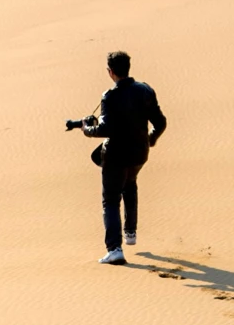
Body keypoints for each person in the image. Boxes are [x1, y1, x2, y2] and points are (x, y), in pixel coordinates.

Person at [65, 50, 166, 265]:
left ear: (110, 72)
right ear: (127, 68)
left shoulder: (110, 96)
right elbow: (161, 122)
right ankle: (130, 233)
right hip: (139, 153)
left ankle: (114, 249)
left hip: (115, 156)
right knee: (130, 184)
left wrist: (86, 129)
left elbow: (105, 129)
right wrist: (151, 139)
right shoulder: (145, 90)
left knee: (110, 200)